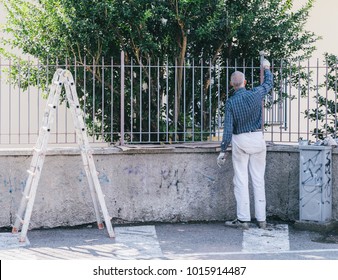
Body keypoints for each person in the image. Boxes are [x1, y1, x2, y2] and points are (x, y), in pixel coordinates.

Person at [217, 59, 273, 230]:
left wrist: (222, 150)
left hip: (240, 140)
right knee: (258, 180)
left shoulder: (231, 103)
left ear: (232, 85)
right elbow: (268, 84)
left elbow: (227, 130)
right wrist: (267, 68)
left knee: (240, 180)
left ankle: (243, 220)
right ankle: (262, 220)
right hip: (257, 139)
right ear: (245, 82)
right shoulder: (256, 93)